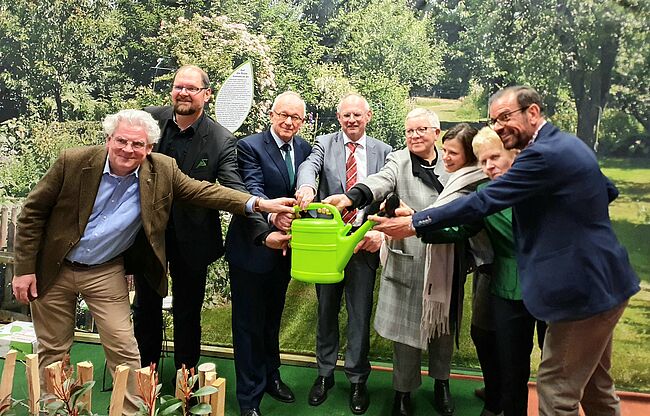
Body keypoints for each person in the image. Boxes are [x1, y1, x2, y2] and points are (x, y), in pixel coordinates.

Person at [370, 86, 640, 416]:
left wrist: (415, 223)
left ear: (534, 113)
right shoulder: (566, 145)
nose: (498, 127)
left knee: (557, 391)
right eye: (493, 120)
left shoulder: (541, 155)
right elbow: (607, 191)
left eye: (505, 117)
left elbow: (481, 202)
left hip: (583, 290)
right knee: (596, 387)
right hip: (608, 282)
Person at [11, 109, 295, 414]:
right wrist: (24, 269)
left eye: (137, 144)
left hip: (104, 272)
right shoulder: (73, 161)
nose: (127, 150)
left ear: (149, 148)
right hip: (55, 268)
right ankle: (54, 410)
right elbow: (31, 214)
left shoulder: (162, 170)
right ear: (109, 140)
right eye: (121, 141)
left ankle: (132, 411)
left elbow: (205, 191)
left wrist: (259, 204)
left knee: (124, 349)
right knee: (53, 351)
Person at [324, 107, 453, 416]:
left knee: (442, 329)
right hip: (408, 258)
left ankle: (442, 383)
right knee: (406, 336)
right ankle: (403, 392)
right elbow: (379, 181)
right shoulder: (398, 160)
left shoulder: (452, 163)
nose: (414, 136)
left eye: (421, 130)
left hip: (445, 259)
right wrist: (352, 197)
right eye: (409, 131)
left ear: (437, 133)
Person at [132, 64, 249, 374]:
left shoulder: (221, 140)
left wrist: (260, 213)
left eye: (191, 88)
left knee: (187, 312)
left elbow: (233, 188)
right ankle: (147, 375)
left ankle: (186, 378)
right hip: (149, 235)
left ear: (207, 95)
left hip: (194, 239)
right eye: (178, 86)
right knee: (145, 309)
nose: (182, 92)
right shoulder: (148, 120)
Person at [295, 93, 392, 415]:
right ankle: (324, 375)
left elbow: (390, 194)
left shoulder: (384, 151)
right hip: (329, 245)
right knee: (325, 312)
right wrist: (307, 189)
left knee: (359, 315)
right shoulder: (324, 142)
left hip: (362, 244)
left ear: (369, 116)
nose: (351, 120)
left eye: (357, 115)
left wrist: (379, 230)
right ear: (339, 118)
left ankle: (357, 379)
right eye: (346, 115)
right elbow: (309, 166)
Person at [225, 91, 312, 416]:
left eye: (296, 117)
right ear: (271, 115)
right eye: (283, 115)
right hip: (251, 249)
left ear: (303, 121)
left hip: (285, 251)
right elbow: (252, 187)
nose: (289, 122)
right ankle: (249, 398)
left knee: (272, 320)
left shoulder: (304, 149)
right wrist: (273, 217)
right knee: (248, 325)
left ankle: (271, 377)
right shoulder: (249, 146)